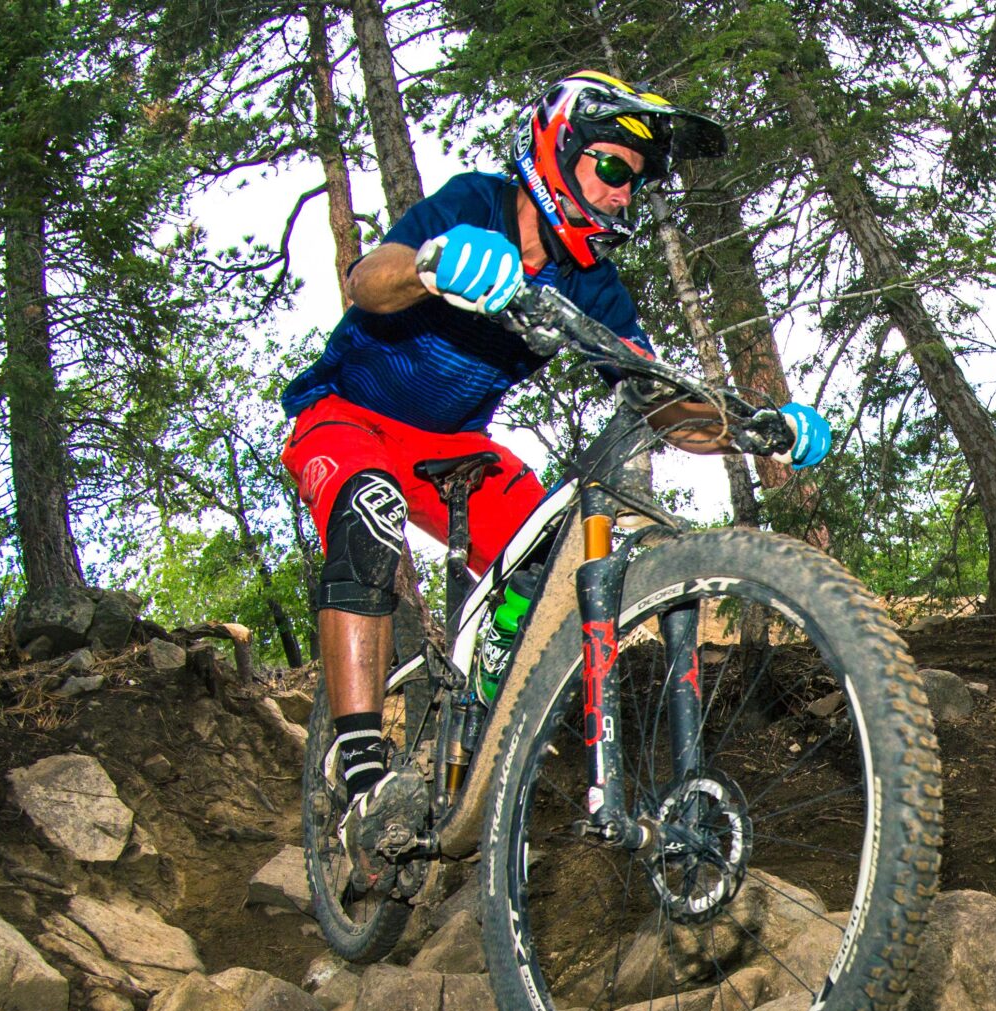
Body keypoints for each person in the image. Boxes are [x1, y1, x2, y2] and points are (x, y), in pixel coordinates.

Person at [280, 70, 831, 810]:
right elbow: (367, 280)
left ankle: (483, 702)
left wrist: (757, 429)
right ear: (555, 145)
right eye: (610, 168)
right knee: (369, 508)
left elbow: (661, 402)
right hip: (347, 417)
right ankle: (359, 764)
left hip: (455, 451)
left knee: (555, 559)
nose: (621, 194)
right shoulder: (477, 201)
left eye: (633, 183)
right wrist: (432, 261)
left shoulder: (592, 283)